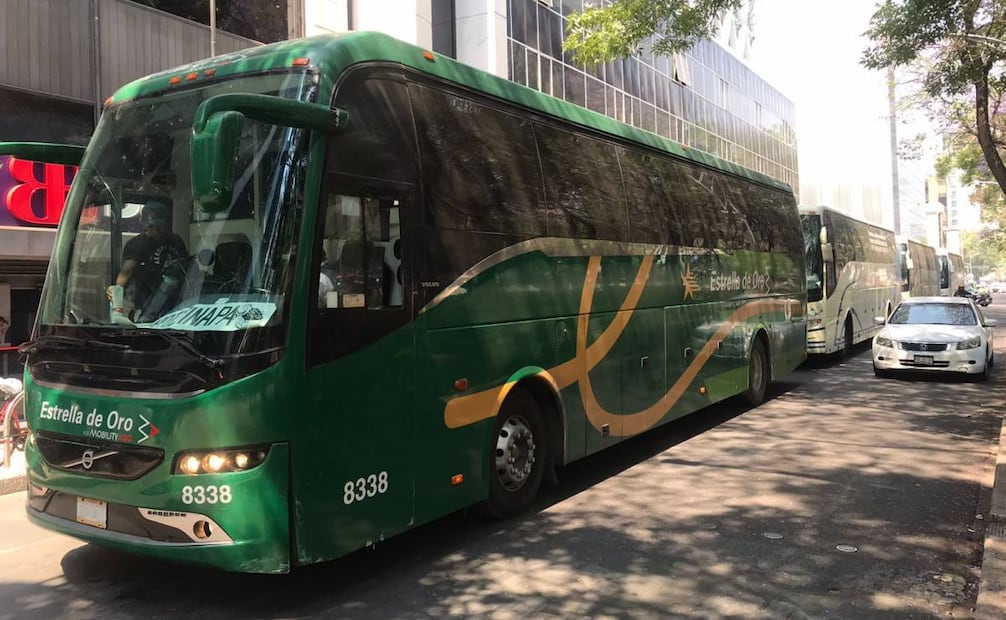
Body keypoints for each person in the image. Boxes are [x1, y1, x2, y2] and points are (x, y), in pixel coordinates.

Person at [108, 200, 188, 322]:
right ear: (144, 224)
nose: (155, 231)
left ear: (166, 223)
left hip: (176, 304)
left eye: (158, 226)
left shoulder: (176, 241)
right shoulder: (137, 244)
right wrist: (117, 293)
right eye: (150, 226)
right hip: (147, 305)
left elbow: (186, 267)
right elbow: (126, 273)